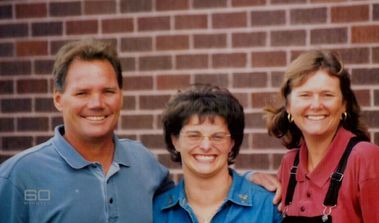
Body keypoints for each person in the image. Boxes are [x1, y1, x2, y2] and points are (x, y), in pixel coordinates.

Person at [0, 39, 173, 223]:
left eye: (108, 91)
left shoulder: (145, 164)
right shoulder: (19, 177)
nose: (97, 104)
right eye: (82, 93)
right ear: (58, 100)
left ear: (121, 97)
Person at [265, 50, 379, 222]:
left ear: (344, 105)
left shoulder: (366, 160)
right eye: (305, 95)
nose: (316, 105)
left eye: (327, 95)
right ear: (288, 106)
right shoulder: (289, 164)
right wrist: (249, 177)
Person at [154, 84, 282, 223]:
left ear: (232, 142)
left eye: (218, 136)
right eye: (194, 136)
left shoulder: (267, 207)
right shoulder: (156, 212)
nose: (206, 146)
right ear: (175, 141)